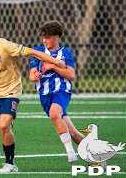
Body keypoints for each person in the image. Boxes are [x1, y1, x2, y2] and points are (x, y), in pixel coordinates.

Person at [0, 18, 66, 173]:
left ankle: (10, 164)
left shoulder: (7, 46)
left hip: (10, 91)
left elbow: (33, 52)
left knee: (4, 125)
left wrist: (56, 62)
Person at [28, 20, 86, 164]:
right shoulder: (38, 51)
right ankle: (97, 155)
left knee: (54, 114)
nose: (44, 40)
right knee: (72, 132)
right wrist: (35, 77)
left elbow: (71, 75)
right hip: (45, 95)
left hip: (62, 91)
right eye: (43, 37)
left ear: (56, 37)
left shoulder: (66, 53)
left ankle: (70, 151)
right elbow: (31, 75)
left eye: (47, 37)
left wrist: (53, 67)